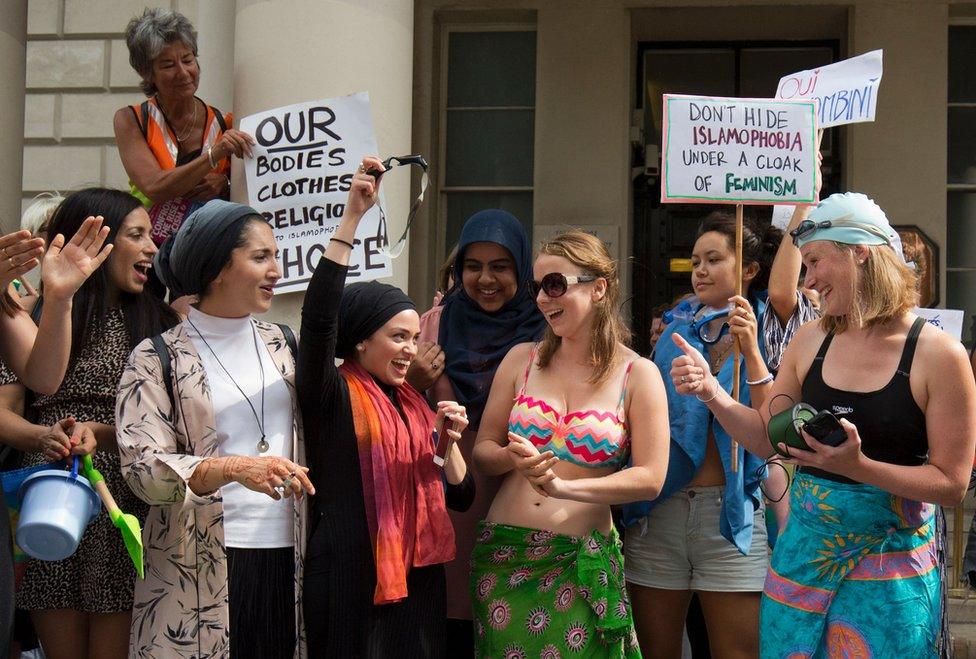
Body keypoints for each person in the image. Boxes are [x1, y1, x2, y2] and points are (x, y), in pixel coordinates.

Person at [670, 192, 976, 656]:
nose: (809, 280)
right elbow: (769, 437)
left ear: (860, 254)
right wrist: (711, 393)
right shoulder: (812, 340)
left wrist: (859, 467)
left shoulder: (938, 355)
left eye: (814, 262)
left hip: (888, 580)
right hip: (800, 569)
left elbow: (952, 484)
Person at [116, 200, 311, 658]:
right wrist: (233, 468)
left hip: (290, 556)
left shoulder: (284, 343)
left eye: (276, 256)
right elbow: (143, 469)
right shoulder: (155, 356)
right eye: (260, 257)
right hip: (195, 563)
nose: (277, 270)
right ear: (217, 269)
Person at [299, 156, 474, 657]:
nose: (410, 351)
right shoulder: (330, 394)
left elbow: (461, 497)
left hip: (418, 583)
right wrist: (352, 217)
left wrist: (450, 443)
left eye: (415, 338)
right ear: (358, 341)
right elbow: (317, 321)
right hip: (351, 579)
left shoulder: (416, 404)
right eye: (398, 337)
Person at [471, 229, 669, 658]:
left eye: (555, 284)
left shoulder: (638, 375)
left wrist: (565, 488)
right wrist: (509, 456)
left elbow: (651, 478)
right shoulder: (520, 360)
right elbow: (483, 451)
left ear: (598, 288)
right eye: (536, 287)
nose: (542, 298)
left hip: (578, 565)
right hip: (506, 560)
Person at [12, 188, 179, 659]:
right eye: (137, 235)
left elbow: (171, 424)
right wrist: (44, 436)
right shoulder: (33, 316)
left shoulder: (164, 325)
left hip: (126, 494)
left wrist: (101, 434)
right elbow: (6, 406)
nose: (152, 248)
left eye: (153, 236)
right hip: (52, 488)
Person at [622, 211, 783, 659]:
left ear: (749, 270)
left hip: (730, 516)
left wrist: (750, 351)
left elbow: (771, 428)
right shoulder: (675, 329)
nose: (700, 271)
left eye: (714, 259)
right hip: (662, 511)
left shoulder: (775, 326)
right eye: (695, 261)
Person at [406, 210, 546, 651]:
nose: (486, 279)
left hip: (520, 496)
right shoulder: (433, 324)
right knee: (450, 624)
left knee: (512, 620)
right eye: (473, 266)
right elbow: (390, 407)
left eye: (500, 266)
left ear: (522, 270)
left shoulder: (548, 330)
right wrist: (414, 384)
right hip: (449, 500)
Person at [114, 8, 254, 253]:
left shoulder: (225, 123)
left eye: (188, 60)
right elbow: (155, 187)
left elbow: (246, 187)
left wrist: (225, 183)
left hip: (207, 248)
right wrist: (214, 155)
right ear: (148, 74)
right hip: (149, 247)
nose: (183, 72)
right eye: (168, 65)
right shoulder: (132, 119)